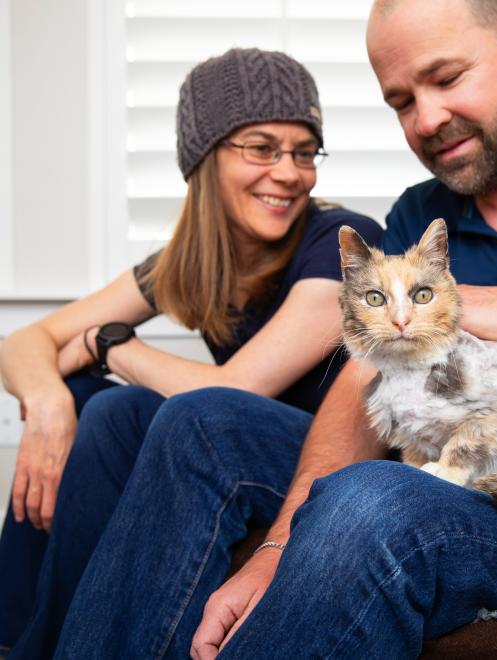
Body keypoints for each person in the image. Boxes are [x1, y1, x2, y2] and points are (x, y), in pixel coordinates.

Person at [51, 1, 497, 658]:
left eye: (446, 78)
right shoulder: (419, 212)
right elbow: (364, 385)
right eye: (401, 101)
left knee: (374, 498)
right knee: (195, 418)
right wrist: (280, 541)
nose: (426, 119)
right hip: (429, 455)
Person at [0, 47, 381, 658]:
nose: (289, 172)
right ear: (205, 157)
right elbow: (23, 342)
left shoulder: (341, 245)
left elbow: (238, 390)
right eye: (261, 147)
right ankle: (18, 641)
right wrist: (46, 402)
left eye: (304, 151)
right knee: (84, 401)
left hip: (334, 454)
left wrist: (112, 344)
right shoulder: (192, 263)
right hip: (243, 440)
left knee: (129, 408)